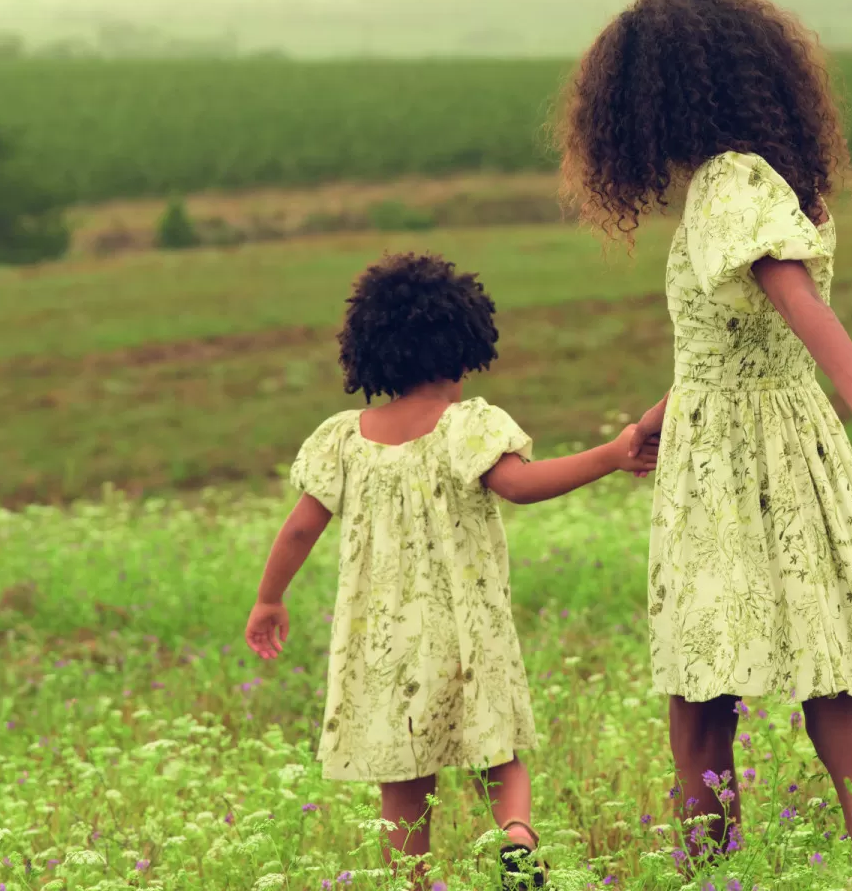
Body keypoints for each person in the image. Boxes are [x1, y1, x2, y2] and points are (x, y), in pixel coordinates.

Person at [556, 0, 852, 889]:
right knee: (835, 702)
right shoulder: (779, 180)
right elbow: (732, 343)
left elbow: (793, 300)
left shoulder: (727, 181)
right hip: (778, 444)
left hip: (734, 465)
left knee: (700, 713)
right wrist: (651, 422)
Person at [243, 252, 657, 889]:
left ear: (371, 350)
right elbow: (521, 486)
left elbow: (300, 527)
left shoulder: (343, 439)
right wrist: (610, 454)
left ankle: (412, 879)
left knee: (404, 781)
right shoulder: (470, 427)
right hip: (467, 631)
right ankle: (516, 836)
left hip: (385, 645)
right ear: (465, 344)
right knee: (498, 751)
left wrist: (269, 599)